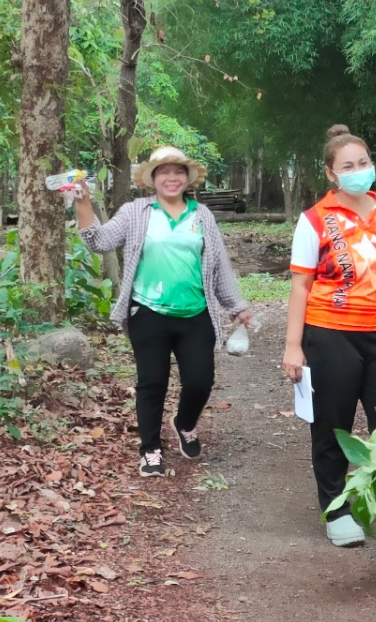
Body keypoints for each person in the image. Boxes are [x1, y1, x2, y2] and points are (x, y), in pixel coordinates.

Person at [74, 146, 250, 477]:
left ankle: (184, 423)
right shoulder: (136, 211)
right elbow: (100, 241)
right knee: (152, 382)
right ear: (152, 179)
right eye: (164, 172)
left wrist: (236, 306)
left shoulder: (202, 215)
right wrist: (83, 203)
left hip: (195, 313)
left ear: (187, 178)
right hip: (148, 311)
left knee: (201, 381)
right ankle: (151, 449)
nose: (172, 177)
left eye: (178, 171)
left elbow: (217, 267)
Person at [283, 125, 376, 547]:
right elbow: (300, 286)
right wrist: (293, 346)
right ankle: (337, 508)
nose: (358, 171)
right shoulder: (315, 221)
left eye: (363, 163)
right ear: (330, 173)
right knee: (332, 425)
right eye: (348, 166)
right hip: (329, 335)